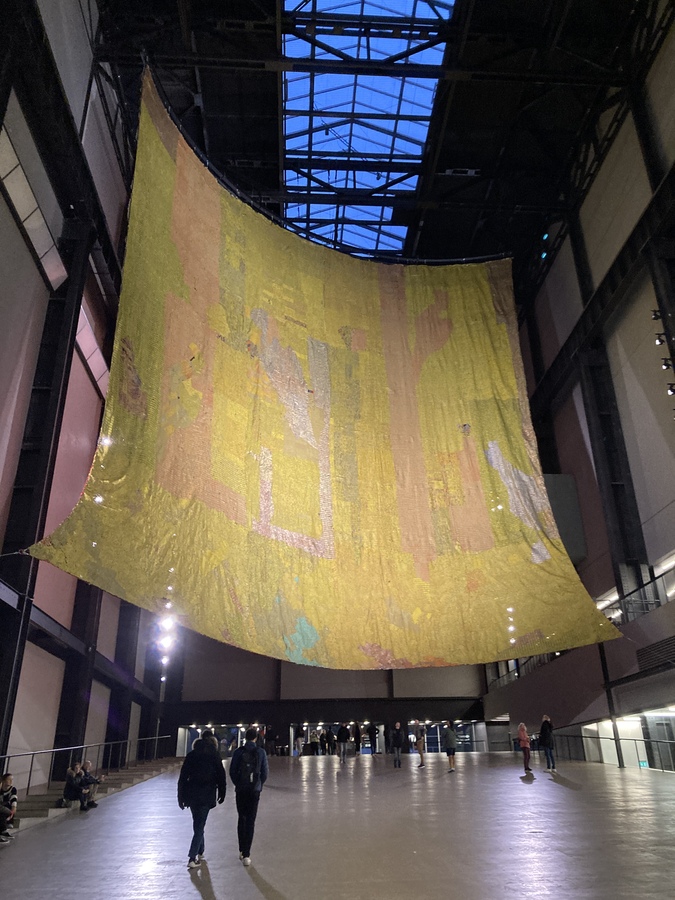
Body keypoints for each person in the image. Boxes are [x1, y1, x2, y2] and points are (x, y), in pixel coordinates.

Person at [178, 737, 227, 870]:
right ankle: (192, 857)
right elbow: (221, 775)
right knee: (200, 824)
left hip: (192, 795)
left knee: (198, 822)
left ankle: (201, 850)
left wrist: (180, 797)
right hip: (207, 794)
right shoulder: (214, 756)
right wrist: (222, 792)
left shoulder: (191, 756)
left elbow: (183, 777)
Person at [230, 727, 269, 867]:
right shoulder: (261, 752)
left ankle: (241, 849)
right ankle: (247, 854)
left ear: (245, 737)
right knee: (251, 820)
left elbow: (232, 771)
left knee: (242, 818)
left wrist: (238, 783)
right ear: (256, 738)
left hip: (241, 789)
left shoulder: (238, 752)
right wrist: (258, 785)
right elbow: (265, 773)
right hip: (254, 791)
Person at [1, 773, 17, 842]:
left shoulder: (12, 789)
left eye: (12, 780)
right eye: (9, 780)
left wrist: (14, 808)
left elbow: (13, 799)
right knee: (3, 811)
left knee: (9, 807)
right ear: (3, 781)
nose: (11, 781)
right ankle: (3, 831)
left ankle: (8, 824)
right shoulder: (1, 788)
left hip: (5, 805)